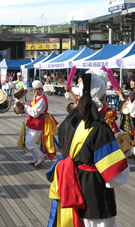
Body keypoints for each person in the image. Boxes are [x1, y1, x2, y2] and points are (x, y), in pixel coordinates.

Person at [48, 72, 129, 227]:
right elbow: (115, 175)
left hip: (69, 186)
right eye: (105, 97)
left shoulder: (67, 122)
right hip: (94, 192)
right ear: (99, 98)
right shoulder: (100, 128)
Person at [22, 80, 58, 166]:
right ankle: (36, 158)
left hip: (37, 123)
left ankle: (41, 157)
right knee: (34, 143)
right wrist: (25, 111)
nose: (36, 91)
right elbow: (31, 109)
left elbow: (35, 113)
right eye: (35, 89)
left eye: (38, 89)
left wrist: (25, 106)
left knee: (29, 142)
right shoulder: (37, 97)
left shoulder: (42, 99)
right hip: (33, 122)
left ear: (42, 89)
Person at [115, 73, 135, 138]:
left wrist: (120, 95)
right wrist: (122, 94)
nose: (130, 83)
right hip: (134, 117)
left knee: (131, 137)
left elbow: (128, 103)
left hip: (132, 118)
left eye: (132, 81)